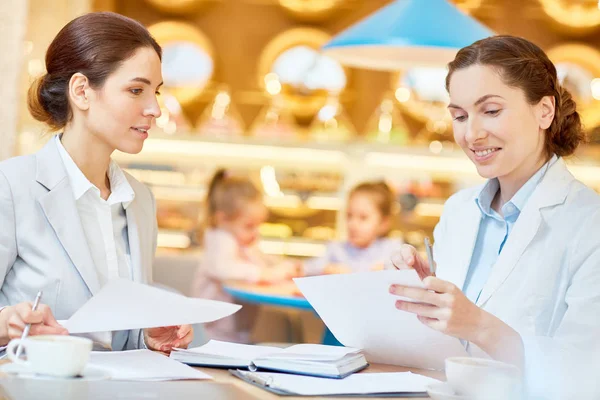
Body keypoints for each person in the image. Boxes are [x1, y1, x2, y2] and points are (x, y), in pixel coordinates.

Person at [388, 35, 600, 398]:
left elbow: (587, 373)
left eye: (491, 111)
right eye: (459, 115)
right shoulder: (458, 211)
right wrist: (422, 298)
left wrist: (479, 326)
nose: (471, 134)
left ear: (544, 111)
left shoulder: (589, 224)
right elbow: (449, 351)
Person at [0, 12, 193, 352]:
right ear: (82, 92)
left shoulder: (140, 200)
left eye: (156, 93)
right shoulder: (12, 187)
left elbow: (118, 333)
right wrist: (8, 324)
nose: (155, 109)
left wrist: (148, 338)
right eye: (136, 90)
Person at [192, 169, 297, 342]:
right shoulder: (220, 239)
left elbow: (262, 260)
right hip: (213, 333)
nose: (256, 233)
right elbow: (223, 268)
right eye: (249, 226)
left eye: (258, 226)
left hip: (235, 331)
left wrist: (283, 267)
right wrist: (265, 274)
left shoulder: (242, 242)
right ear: (222, 219)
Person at [304, 180, 402, 275]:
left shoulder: (392, 251)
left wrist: (391, 271)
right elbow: (308, 267)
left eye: (363, 218)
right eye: (349, 215)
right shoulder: (337, 249)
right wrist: (325, 269)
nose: (353, 224)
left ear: (383, 223)